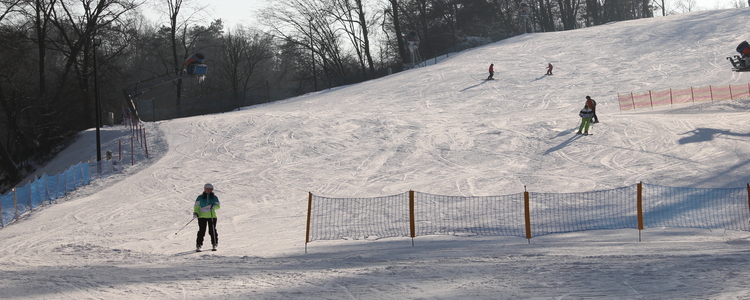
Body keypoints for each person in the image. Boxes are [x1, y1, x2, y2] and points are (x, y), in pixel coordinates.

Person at [194, 183, 220, 252]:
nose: (208, 190)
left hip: (212, 216)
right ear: (204, 189)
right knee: (202, 231)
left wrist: (213, 206)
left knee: (212, 230)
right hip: (202, 216)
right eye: (207, 189)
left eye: (210, 189)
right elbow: (196, 206)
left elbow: (218, 206)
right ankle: (199, 245)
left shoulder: (214, 197)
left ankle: (214, 243)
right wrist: (196, 213)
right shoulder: (200, 197)